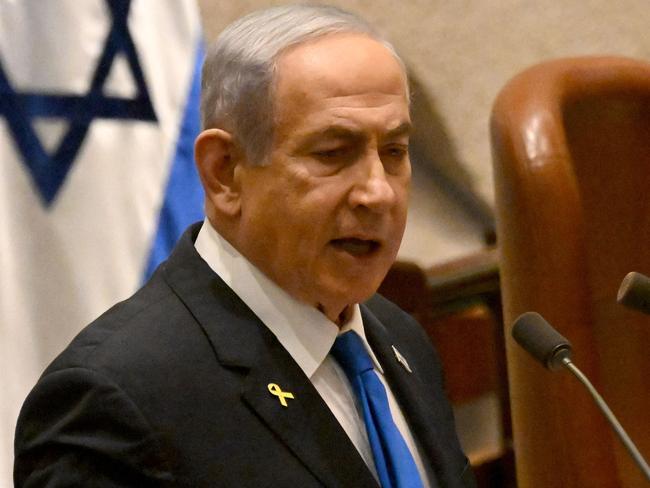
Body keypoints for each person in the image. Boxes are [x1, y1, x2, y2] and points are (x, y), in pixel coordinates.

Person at [14, 5, 474, 487]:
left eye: (394, 152)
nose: (378, 192)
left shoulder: (400, 338)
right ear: (224, 172)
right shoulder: (114, 400)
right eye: (333, 153)